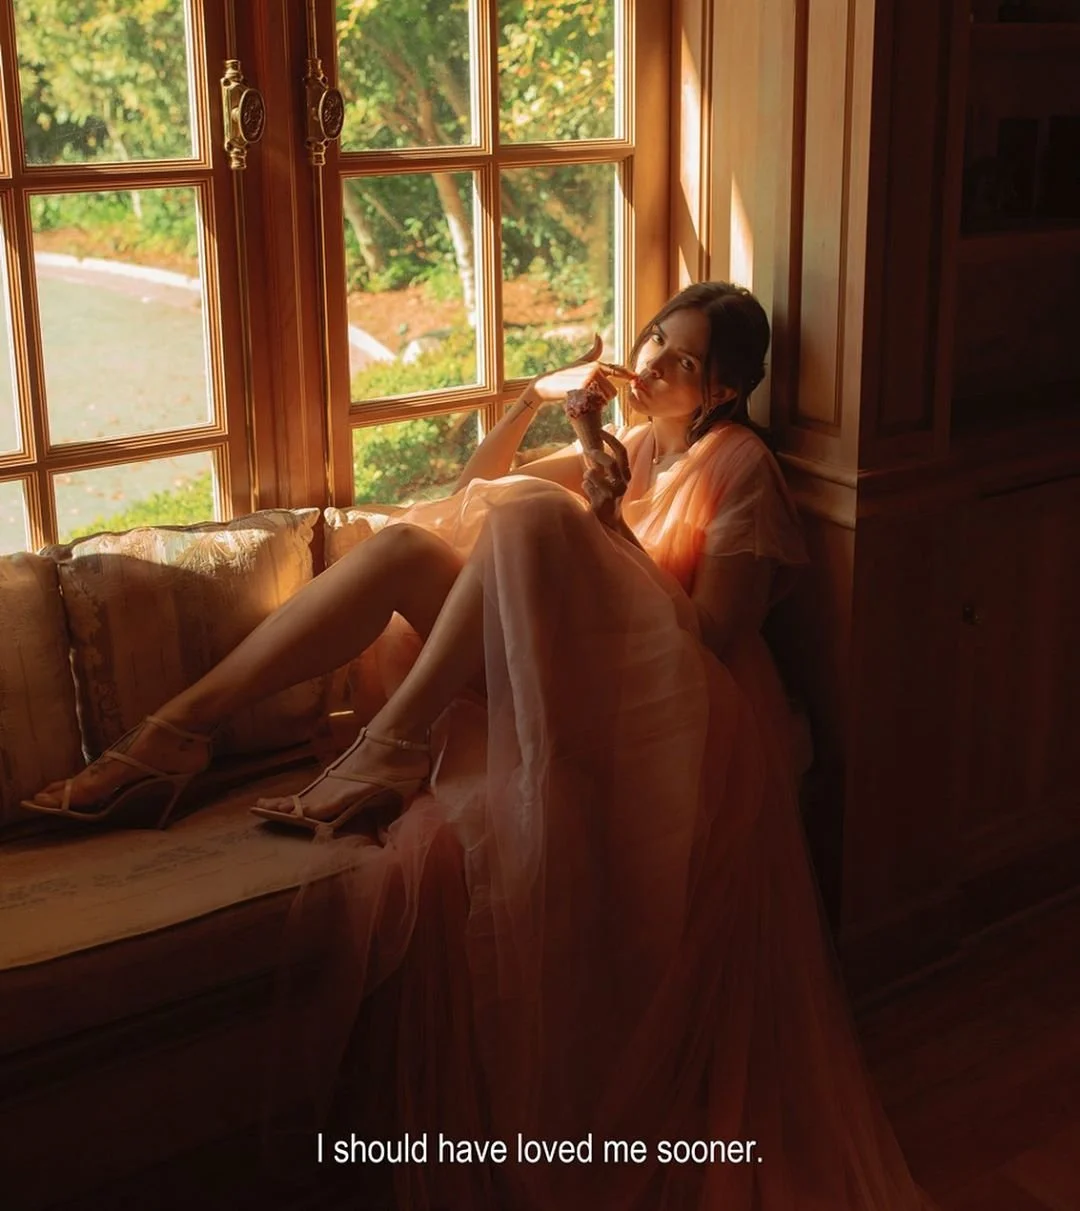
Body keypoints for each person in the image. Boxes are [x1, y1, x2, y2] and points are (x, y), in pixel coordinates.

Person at [23, 282, 937, 1209]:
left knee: (535, 518)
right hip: (582, 668)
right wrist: (537, 398)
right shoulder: (637, 442)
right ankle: (173, 735)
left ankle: (385, 744)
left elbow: (711, 635)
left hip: (672, 709)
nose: (653, 362)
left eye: (684, 360)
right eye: (656, 338)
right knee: (408, 552)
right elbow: (472, 487)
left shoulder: (742, 466)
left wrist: (609, 524)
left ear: (723, 390)